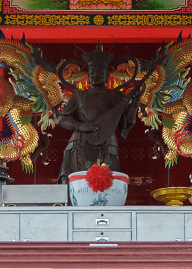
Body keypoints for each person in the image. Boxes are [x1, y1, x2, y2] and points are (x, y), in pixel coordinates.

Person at [54, 45, 137, 183]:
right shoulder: (79, 95)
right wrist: (80, 126)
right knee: (70, 179)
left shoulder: (115, 96)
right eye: (92, 72)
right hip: (79, 141)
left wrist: (135, 103)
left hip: (106, 142)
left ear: (107, 76)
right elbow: (62, 119)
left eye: (99, 72)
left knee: (107, 181)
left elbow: (127, 122)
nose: (95, 74)